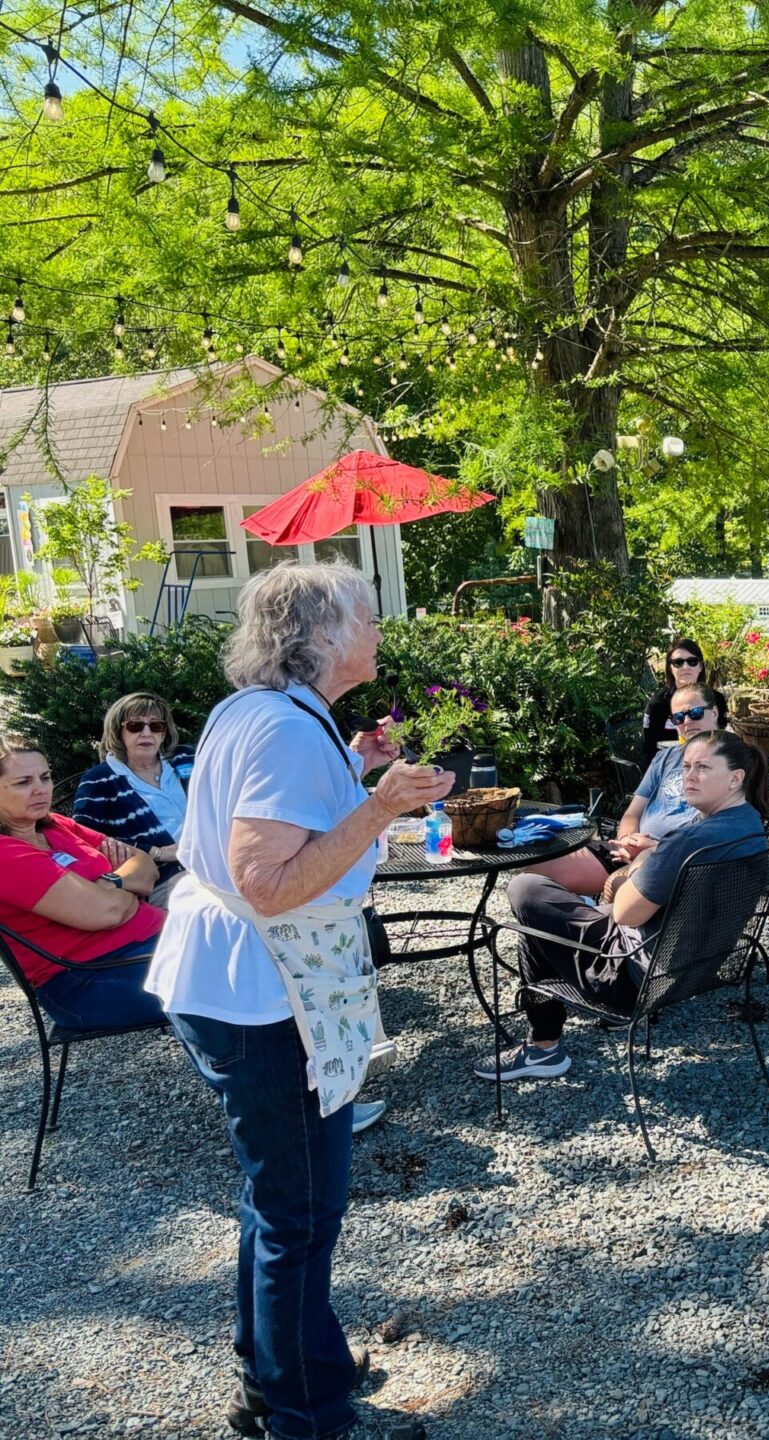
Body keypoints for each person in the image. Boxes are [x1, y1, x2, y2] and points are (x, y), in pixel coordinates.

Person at [143, 563, 451, 1440]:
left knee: (279, 1199)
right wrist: (381, 806)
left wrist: (353, 774)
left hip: (235, 981)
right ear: (318, 638)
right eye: (368, 615)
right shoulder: (282, 729)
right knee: (301, 1211)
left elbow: (275, 824)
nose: (381, 630)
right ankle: (306, 1418)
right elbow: (268, 882)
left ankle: (281, 1375)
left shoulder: (269, 712)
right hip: (259, 991)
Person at [479, 730, 769, 1081]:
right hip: (697, 969)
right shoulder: (751, 827)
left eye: (704, 768)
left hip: (633, 979)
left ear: (736, 778)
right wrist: (648, 859)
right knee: (545, 917)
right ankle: (543, 1045)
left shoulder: (689, 841)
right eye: (687, 766)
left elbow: (623, 911)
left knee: (526, 890)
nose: (689, 776)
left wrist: (635, 868)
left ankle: (543, 1047)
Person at [0, 734, 166, 1031]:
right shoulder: (5, 853)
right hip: (88, 980)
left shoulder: (55, 824)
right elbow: (105, 913)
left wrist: (110, 883)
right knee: (236, 975)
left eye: (45, 777)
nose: (41, 789)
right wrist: (125, 888)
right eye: (24, 782)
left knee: (251, 945)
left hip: (149, 945)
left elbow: (145, 865)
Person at [527, 682, 724, 899]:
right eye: (678, 717)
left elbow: (717, 831)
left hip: (674, 861)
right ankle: (583, 917)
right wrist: (627, 842)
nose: (687, 722)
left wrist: (657, 849)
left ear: (714, 712)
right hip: (631, 851)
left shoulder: (729, 762)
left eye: (695, 713)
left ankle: (594, 921)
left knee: (618, 888)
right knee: (535, 873)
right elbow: (633, 812)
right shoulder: (665, 757)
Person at [72, 692, 197, 904]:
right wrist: (158, 852)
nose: (147, 733)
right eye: (135, 726)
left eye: (156, 726)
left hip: (215, 860)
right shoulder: (99, 781)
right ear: (118, 731)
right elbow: (84, 840)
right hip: (163, 877)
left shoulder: (186, 758)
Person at [635, 638, 731, 776]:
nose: (685, 667)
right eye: (678, 663)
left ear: (700, 666)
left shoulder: (717, 700)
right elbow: (649, 751)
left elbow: (721, 739)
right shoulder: (657, 705)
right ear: (670, 668)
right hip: (668, 770)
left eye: (692, 661)